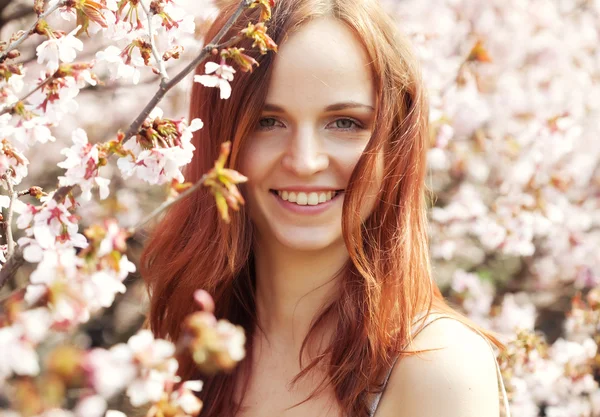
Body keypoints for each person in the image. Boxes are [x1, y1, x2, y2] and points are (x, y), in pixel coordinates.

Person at [141, 0, 512, 416]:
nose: (305, 161)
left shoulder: (436, 370)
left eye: (345, 123)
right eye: (267, 121)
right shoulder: (188, 342)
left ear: (396, 145)